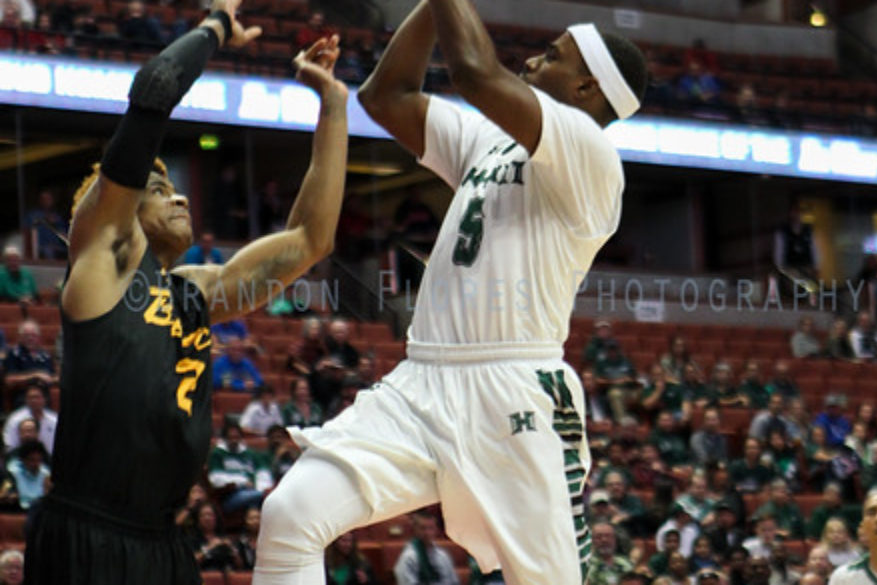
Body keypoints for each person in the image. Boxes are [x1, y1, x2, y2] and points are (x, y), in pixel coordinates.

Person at [252, 1, 647, 584]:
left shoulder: (590, 151)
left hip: (514, 393)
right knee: (291, 514)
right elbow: (385, 97)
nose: (535, 58)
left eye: (554, 55)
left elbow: (475, 74)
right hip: (424, 381)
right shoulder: (491, 140)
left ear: (588, 86)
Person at [24, 2, 349, 581]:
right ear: (113, 208)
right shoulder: (101, 259)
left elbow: (310, 237)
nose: (178, 197)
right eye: (157, 187)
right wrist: (216, 23)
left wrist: (333, 107)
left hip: (166, 543)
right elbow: (153, 94)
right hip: (88, 534)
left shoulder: (196, 292)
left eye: (176, 188)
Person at [393, 512, 459, 585]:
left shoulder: (443, 556)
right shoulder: (408, 557)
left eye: (431, 528)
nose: (427, 532)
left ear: (436, 530)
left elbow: (453, 582)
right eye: (423, 528)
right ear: (415, 529)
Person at [2, 385, 58, 455]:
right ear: (26, 400)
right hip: (21, 460)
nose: (33, 400)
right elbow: (10, 445)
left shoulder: (54, 419)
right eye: (30, 397)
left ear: (45, 399)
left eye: (37, 397)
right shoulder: (15, 419)